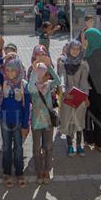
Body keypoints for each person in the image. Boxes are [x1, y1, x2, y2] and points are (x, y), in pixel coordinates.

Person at [0, 53, 31, 187]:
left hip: (19, 120)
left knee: (18, 147)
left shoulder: (24, 85)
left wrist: (25, 125)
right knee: (6, 147)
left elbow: (27, 108)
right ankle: (6, 172)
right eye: (7, 70)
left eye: (13, 70)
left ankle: (19, 172)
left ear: (19, 70)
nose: (10, 73)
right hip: (5, 119)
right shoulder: (3, 80)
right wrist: (4, 57)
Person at [28, 57, 60, 185]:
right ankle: (39, 171)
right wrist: (34, 71)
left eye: (48, 73)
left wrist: (49, 66)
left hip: (48, 122)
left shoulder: (48, 85)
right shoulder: (34, 87)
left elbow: (57, 80)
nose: (48, 76)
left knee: (48, 147)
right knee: (36, 148)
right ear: (39, 75)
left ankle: (47, 170)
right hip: (36, 122)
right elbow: (30, 87)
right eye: (45, 73)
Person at [57, 40, 89, 156]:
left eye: (77, 49)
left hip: (79, 96)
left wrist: (85, 96)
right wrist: (64, 91)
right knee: (69, 121)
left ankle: (79, 146)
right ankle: (70, 146)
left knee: (79, 121)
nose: (75, 51)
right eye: (73, 49)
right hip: (68, 97)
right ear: (68, 49)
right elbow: (61, 78)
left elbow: (84, 81)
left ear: (80, 50)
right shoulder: (63, 63)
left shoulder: (83, 64)